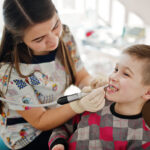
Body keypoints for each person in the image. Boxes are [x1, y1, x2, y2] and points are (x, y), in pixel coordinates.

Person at [0, 0, 107, 149]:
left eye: (55, 25)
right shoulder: (9, 73)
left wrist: (93, 83)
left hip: (58, 118)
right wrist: (79, 105)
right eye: (39, 39)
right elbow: (40, 121)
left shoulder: (65, 35)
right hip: (28, 135)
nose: (53, 41)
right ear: (19, 39)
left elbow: (81, 77)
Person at [49, 44, 150, 150]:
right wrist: (58, 143)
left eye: (126, 74)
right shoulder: (96, 102)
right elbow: (65, 126)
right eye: (116, 69)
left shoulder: (142, 137)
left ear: (147, 92)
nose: (112, 77)